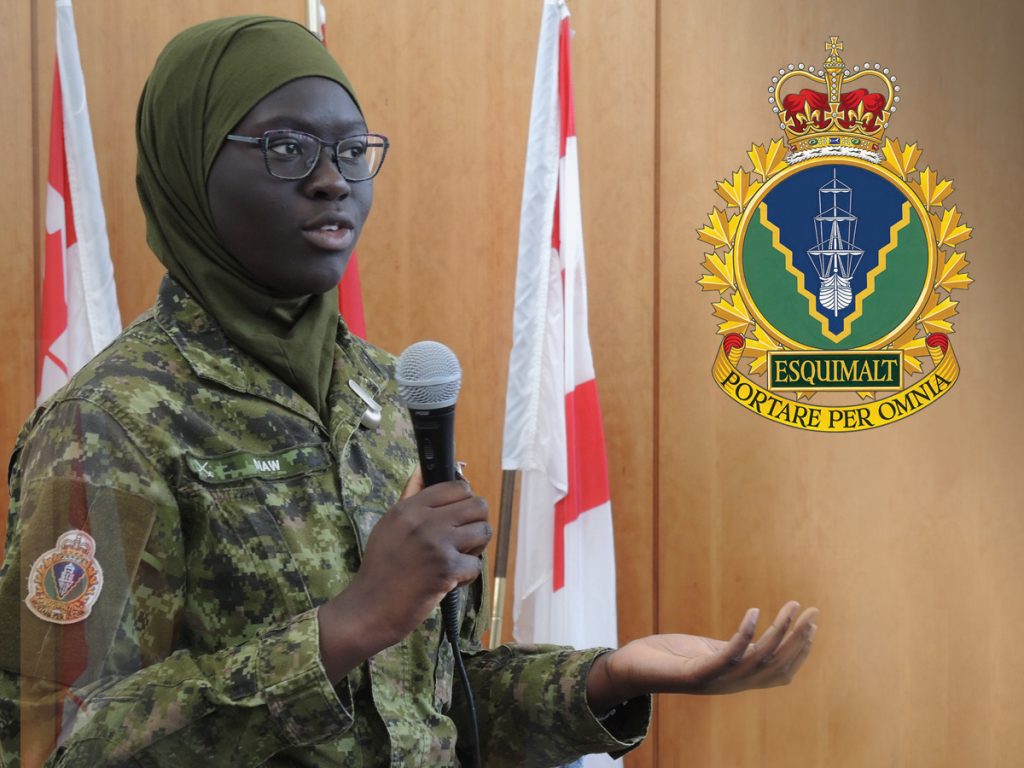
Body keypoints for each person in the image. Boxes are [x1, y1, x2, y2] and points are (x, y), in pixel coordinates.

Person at [0, 15, 818, 767]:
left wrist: (605, 677)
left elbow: (426, 705)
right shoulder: (111, 423)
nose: (332, 181)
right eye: (287, 149)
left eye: (353, 151)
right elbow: (54, 740)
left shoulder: (386, 397)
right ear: (189, 166)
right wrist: (345, 626)